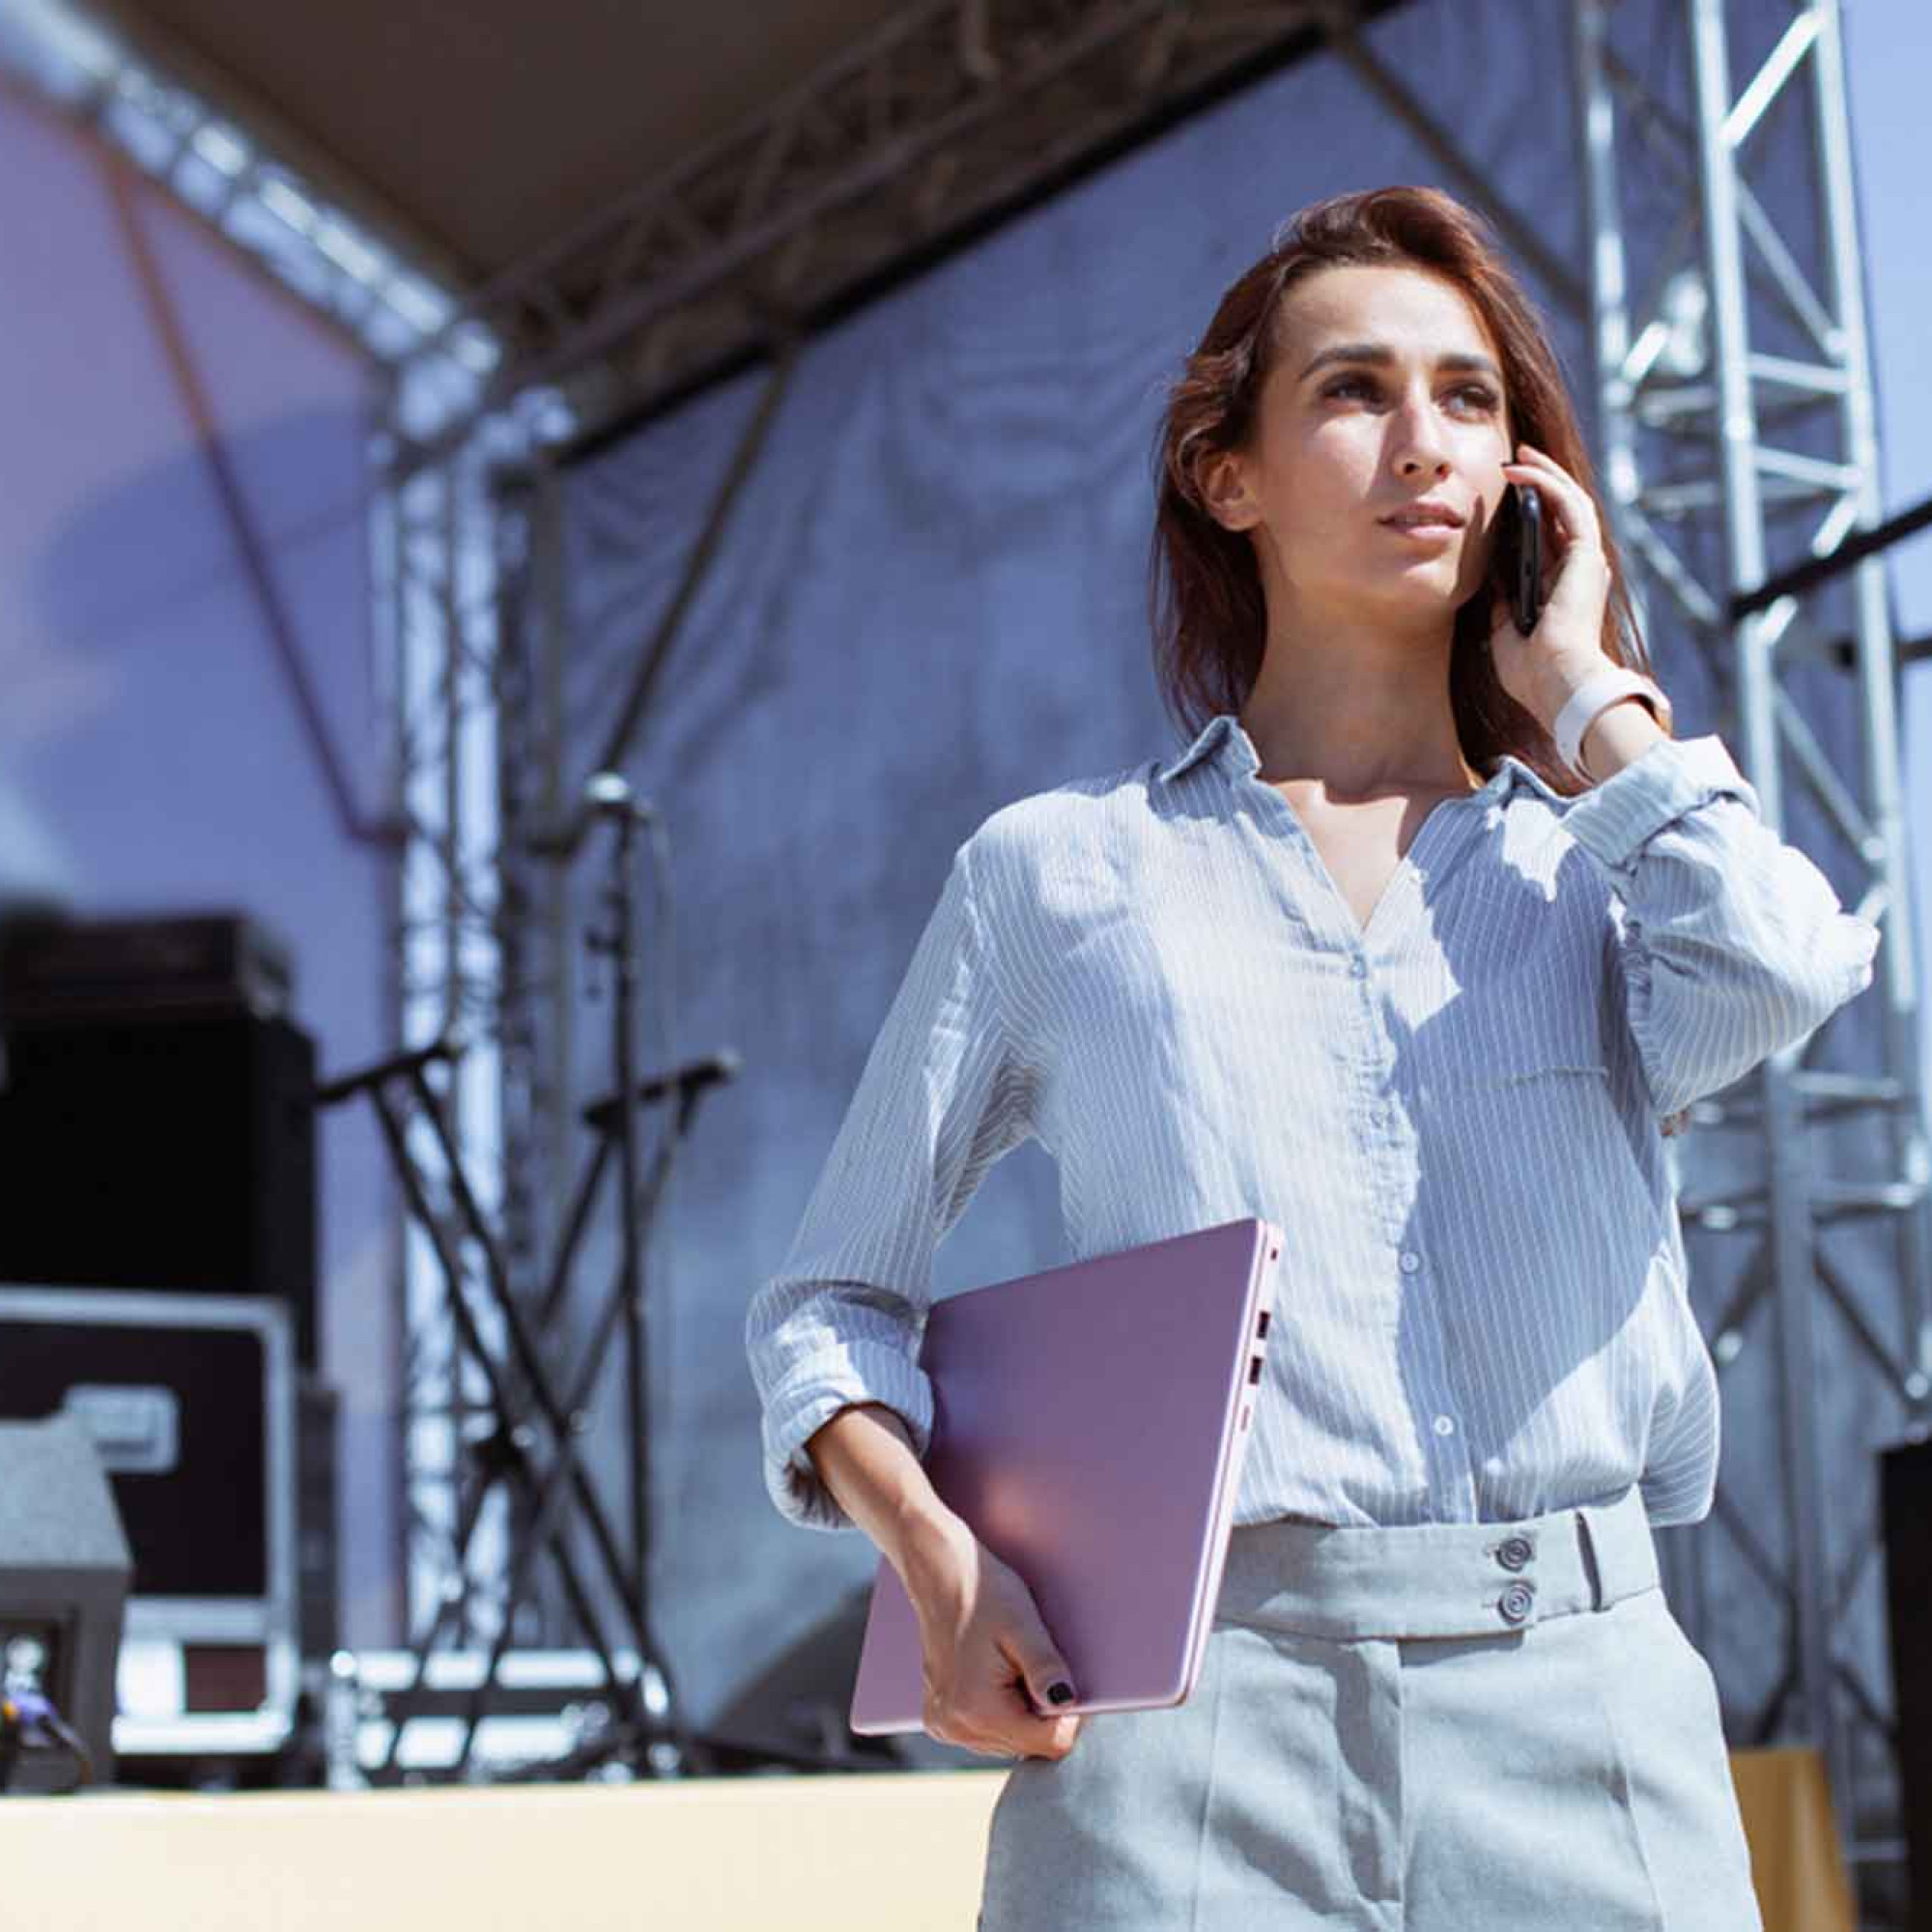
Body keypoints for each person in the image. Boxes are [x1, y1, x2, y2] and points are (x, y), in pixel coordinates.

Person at [744, 185, 1880, 1928]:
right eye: (1355, 391)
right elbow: (830, 1305)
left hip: (1584, 1716)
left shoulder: (1603, 868)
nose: (1424, 442)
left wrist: (1588, 689)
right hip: (1189, 1732)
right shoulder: (1061, 873)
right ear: (1230, 476)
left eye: (1473, 398)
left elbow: (1792, 964)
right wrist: (937, 1557)